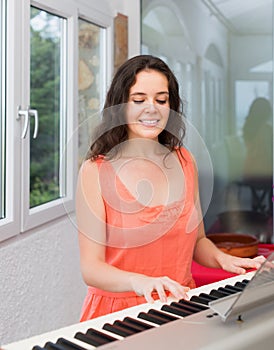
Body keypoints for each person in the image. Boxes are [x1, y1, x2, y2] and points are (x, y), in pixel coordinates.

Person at [76, 55, 265, 321]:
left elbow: (197, 241)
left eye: (161, 100)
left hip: (178, 307)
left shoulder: (185, 160)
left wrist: (225, 260)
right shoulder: (95, 171)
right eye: (139, 100)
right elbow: (91, 269)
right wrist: (141, 282)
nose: (151, 109)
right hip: (118, 317)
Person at [242, 97, 273, 214]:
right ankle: (270, 211)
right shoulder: (266, 129)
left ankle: (258, 207)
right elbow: (268, 154)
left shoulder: (248, 127)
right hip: (263, 173)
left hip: (249, 172)